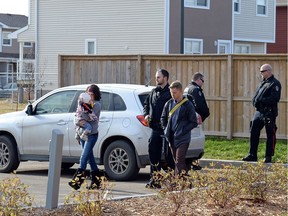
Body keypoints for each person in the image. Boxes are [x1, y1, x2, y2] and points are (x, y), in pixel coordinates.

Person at [242, 64, 281, 163]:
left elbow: (275, 98)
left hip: (269, 112)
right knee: (253, 131)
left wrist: (261, 100)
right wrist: (255, 100)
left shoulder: (274, 83)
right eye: (260, 72)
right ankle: (252, 155)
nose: (261, 73)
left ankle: (268, 156)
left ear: (268, 71)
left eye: (262, 71)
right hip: (259, 111)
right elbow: (257, 95)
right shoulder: (263, 83)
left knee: (270, 134)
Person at [143, 68, 173, 189]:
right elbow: (146, 104)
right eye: (156, 77)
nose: (156, 79)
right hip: (155, 128)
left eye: (158, 77)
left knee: (168, 156)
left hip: (166, 129)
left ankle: (174, 181)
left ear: (165, 78)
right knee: (153, 153)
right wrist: (146, 114)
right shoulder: (153, 92)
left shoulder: (170, 92)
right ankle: (155, 180)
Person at [161, 80, 198, 177]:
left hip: (183, 138)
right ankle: (181, 182)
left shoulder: (188, 105)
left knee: (179, 160)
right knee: (176, 162)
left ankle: (182, 181)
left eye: (174, 93)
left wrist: (183, 130)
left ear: (180, 91)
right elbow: (163, 118)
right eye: (171, 92)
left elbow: (193, 122)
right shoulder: (168, 104)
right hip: (172, 137)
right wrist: (166, 129)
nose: (172, 95)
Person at [68, 84, 102, 190]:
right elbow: (78, 116)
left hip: (92, 135)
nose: (90, 96)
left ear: (95, 95)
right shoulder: (83, 103)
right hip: (83, 134)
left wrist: (81, 118)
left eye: (92, 94)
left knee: (83, 158)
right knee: (90, 158)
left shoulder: (96, 105)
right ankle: (96, 181)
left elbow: (88, 118)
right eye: (88, 94)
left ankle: (77, 182)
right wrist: (80, 122)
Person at [186, 72, 210, 170]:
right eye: (202, 80)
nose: (203, 83)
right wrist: (205, 114)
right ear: (198, 80)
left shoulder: (187, 88)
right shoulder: (196, 90)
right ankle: (194, 163)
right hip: (195, 119)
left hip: (188, 118)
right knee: (195, 141)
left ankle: (190, 162)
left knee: (190, 140)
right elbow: (200, 106)